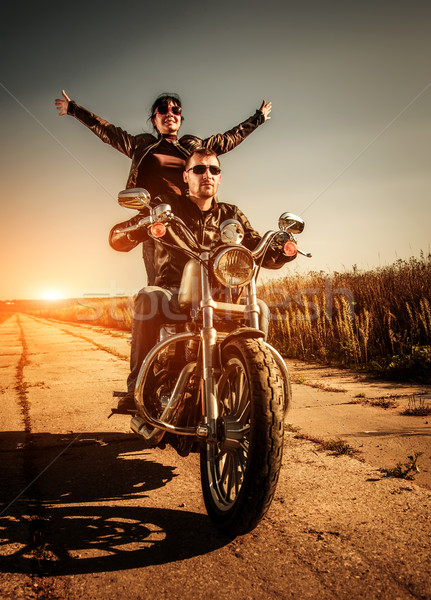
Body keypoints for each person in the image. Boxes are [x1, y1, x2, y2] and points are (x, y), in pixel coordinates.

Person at [109, 148, 296, 411]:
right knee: (149, 297)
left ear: (219, 178)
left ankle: (255, 390)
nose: (207, 174)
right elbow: (117, 238)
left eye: (214, 169)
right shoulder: (166, 207)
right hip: (174, 293)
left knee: (261, 308)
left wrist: (282, 249)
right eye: (199, 169)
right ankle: (140, 388)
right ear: (186, 177)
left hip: (224, 298)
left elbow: (259, 251)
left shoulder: (232, 215)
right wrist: (138, 227)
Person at [55, 90, 272, 285]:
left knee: (211, 280)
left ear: (180, 117)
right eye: (163, 109)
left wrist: (258, 118)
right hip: (158, 224)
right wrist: (74, 109)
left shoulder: (193, 148)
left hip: (193, 222)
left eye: (175, 109)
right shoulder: (142, 145)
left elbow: (228, 139)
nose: (170, 113)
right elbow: (108, 132)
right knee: (159, 288)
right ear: (154, 118)